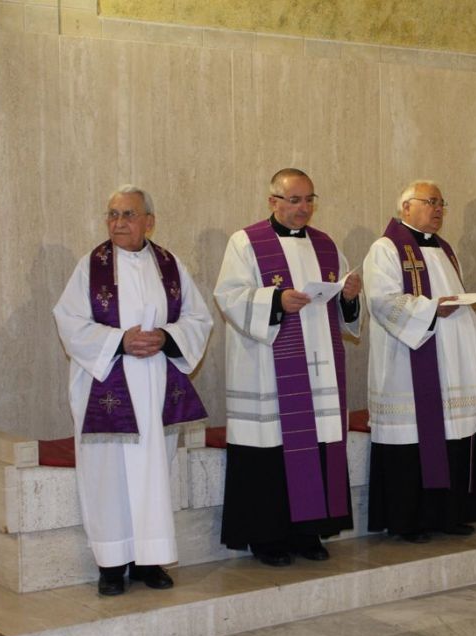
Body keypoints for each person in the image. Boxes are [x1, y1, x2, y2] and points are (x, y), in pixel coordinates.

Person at [54, 185, 213, 596]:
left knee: (153, 474)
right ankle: (111, 564)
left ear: (149, 221)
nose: (118, 222)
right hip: (106, 386)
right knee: (106, 478)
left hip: (156, 386)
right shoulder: (90, 267)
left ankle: (149, 560)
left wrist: (167, 336)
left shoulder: (170, 265)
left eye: (128, 214)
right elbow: (69, 321)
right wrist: (119, 341)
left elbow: (198, 318)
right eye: (112, 214)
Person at [214, 168, 362, 567]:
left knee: (316, 446)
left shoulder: (327, 245)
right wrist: (276, 301)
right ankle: (268, 538)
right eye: (295, 200)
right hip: (267, 369)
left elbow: (343, 311)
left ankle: (308, 533)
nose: (304, 208)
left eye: (309, 199)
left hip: (319, 369)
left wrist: (349, 296)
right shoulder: (246, 242)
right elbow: (229, 296)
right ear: (273, 201)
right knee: (271, 451)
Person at [363, 180, 476, 543]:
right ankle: (410, 521)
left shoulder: (445, 250)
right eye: (430, 202)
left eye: (441, 203)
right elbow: (382, 302)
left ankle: (449, 515)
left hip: (450, 363)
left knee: (452, 437)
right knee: (414, 443)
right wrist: (431, 310)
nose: (438, 209)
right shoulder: (386, 248)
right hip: (408, 365)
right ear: (406, 207)